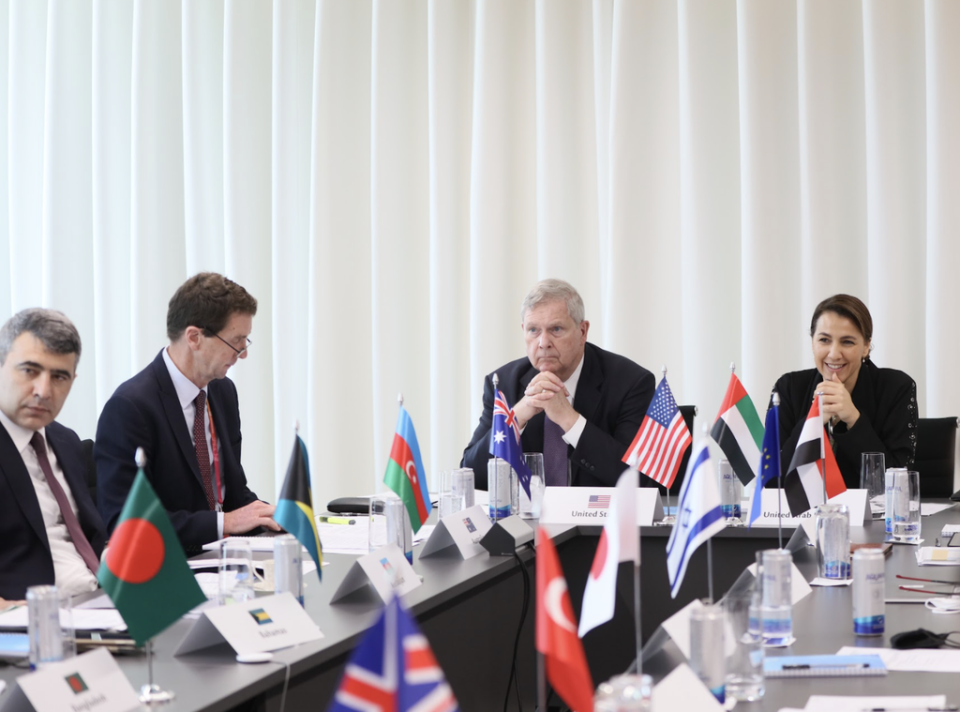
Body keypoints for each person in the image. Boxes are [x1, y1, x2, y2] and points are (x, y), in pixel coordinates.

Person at [96, 273, 280, 552]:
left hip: (226, 560)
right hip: (171, 568)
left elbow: (229, 493)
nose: (242, 354)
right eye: (236, 342)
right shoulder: (130, 408)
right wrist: (223, 523)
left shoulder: (222, 392)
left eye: (246, 342)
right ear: (194, 337)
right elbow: (126, 523)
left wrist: (270, 515)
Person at [461, 279, 656, 489]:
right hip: (527, 520)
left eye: (556, 329)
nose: (543, 343)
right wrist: (516, 416)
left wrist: (569, 419)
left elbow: (636, 478)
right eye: (533, 330)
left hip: (598, 520)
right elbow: (471, 476)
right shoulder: (502, 384)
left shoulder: (630, 383)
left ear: (582, 331)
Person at [0, 309, 106, 601]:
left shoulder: (65, 440)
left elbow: (88, 538)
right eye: (29, 371)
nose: (43, 391)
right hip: (32, 623)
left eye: (59, 376)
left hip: (102, 602)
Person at [773, 294, 917, 489]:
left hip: (872, 518)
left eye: (847, 342)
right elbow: (772, 480)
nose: (834, 353)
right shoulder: (788, 388)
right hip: (803, 516)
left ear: (866, 346)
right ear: (812, 342)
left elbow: (899, 483)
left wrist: (853, 418)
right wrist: (812, 422)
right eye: (824, 340)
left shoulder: (896, 387)